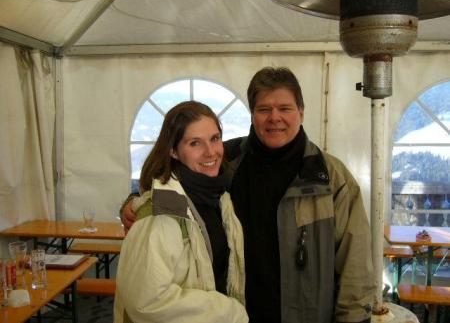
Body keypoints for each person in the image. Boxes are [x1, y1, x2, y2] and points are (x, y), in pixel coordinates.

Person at [121, 67, 375, 323]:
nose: (274, 118)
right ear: (252, 114)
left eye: (285, 108)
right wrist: (132, 204)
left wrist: (354, 319)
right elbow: (170, 188)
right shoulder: (226, 162)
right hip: (239, 315)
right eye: (264, 109)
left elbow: (355, 262)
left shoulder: (330, 177)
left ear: (301, 112)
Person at [114, 101, 248, 323]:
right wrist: (229, 311)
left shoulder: (219, 197)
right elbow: (147, 300)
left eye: (215, 139)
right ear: (173, 151)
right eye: (195, 143)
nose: (210, 151)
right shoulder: (162, 212)